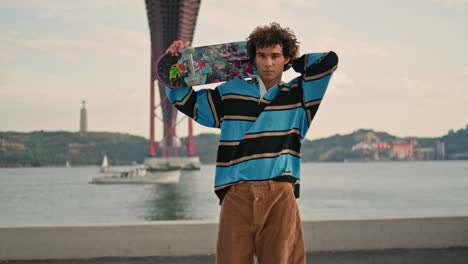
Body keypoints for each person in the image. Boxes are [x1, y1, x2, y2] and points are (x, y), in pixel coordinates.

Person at [165, 22, 338, 264]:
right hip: (236, 193)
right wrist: (175, 64)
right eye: (262, 55)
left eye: (275, 56)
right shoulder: (231, 91)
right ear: (252, 59)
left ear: (285, 59)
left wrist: (296, 59)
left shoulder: (300, 95)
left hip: (279, 193)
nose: (268, 63)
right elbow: (188, 102)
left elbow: (329, 62)